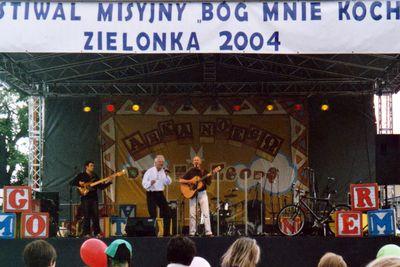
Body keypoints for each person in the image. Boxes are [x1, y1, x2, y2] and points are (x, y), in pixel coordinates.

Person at [72, 160, 112, 237]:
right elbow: (72, 183)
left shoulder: (95, 176)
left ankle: (97, 233)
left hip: (94, 198)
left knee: (95, 216)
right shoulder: (81, 175)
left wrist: (109, 182)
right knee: (86, 216)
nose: (93, 167)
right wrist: (80, 184)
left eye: (93, 166)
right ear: (86, 167)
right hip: (85, 198)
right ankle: (86, 233)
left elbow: (101, 187)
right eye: (91, 165)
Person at [180, 156, 214, 236]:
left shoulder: (204, 171)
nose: (196, 161)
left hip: (202, 193)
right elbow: (181, 180)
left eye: (197, 160)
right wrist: (190, 181)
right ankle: (192, 232)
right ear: (192, 162)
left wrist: (210, 176)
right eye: (194, 160)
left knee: (205, 212)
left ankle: (208, 232)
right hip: (192, 194)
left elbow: (208, 183)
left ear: (200, 162)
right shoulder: (190, 171)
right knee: (192, 213)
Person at [142, 155, 172, 236]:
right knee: (153, 214)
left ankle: (166, 233)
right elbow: (144, 184)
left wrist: (166, 175)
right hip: (151, 193)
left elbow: (168, 182)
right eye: (159, 162)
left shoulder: (163, 171)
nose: (161, 163)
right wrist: (150, 183)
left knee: (167, 213)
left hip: (160, 194)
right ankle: (153, 233)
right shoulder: (149, 171)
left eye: (162, 162)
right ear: (155, 163)